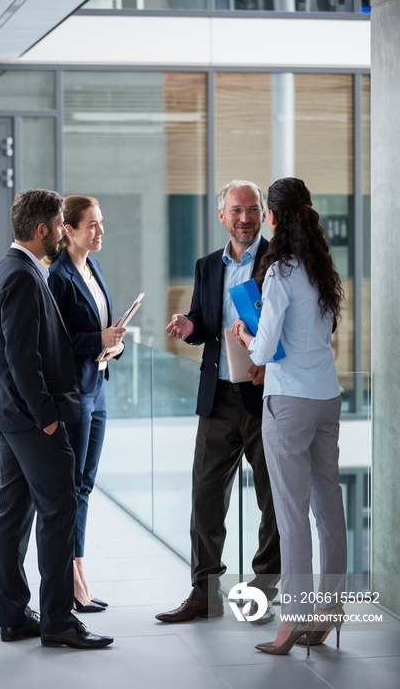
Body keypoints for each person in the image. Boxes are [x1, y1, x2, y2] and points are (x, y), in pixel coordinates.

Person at [0, 188, 113, 650]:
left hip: (11, 417)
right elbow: (22, 359)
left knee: (14, 516)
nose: (63, 232)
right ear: (43, 230)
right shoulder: (21, 276)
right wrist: (49, 420)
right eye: (60, 225)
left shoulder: (9, 268)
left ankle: (16, 617)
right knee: (59, 511)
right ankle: (58, 621)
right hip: (32, 421)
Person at [155, 179, 280, 624]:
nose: (244, 218)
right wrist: (190, 325)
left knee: (273, 499)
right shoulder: (208, 265)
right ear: (222, 216)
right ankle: (205, 592)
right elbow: (206, 320)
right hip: (218, 398)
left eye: (252, 209)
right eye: (236, 210)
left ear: (263, 213)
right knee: (206, 497)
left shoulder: (280, 261)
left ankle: (265, 591)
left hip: (267, 398)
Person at [232, 177, 347, 655]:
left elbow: (266, 346)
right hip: (327, 397)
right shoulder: (322, 268)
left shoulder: (279, 270)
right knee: (328, 506)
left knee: (290, 513)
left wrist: (244, 337)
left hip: (289, 402)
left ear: (274, 217)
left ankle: (293, 621)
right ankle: (331, 608)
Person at [48, 195, 125, 613]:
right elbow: (56, 342)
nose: (100, 232)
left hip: (98, 387)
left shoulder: (92, 268)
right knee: (72, 486)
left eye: (101, 223)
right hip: (75, 393)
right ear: (69, 230)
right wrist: (97, 341)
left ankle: (79, 572)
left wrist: (114, 345)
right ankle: (73, 580)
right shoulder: (58, 277)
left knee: (86, 485)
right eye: (92, 225)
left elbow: (100, 330)